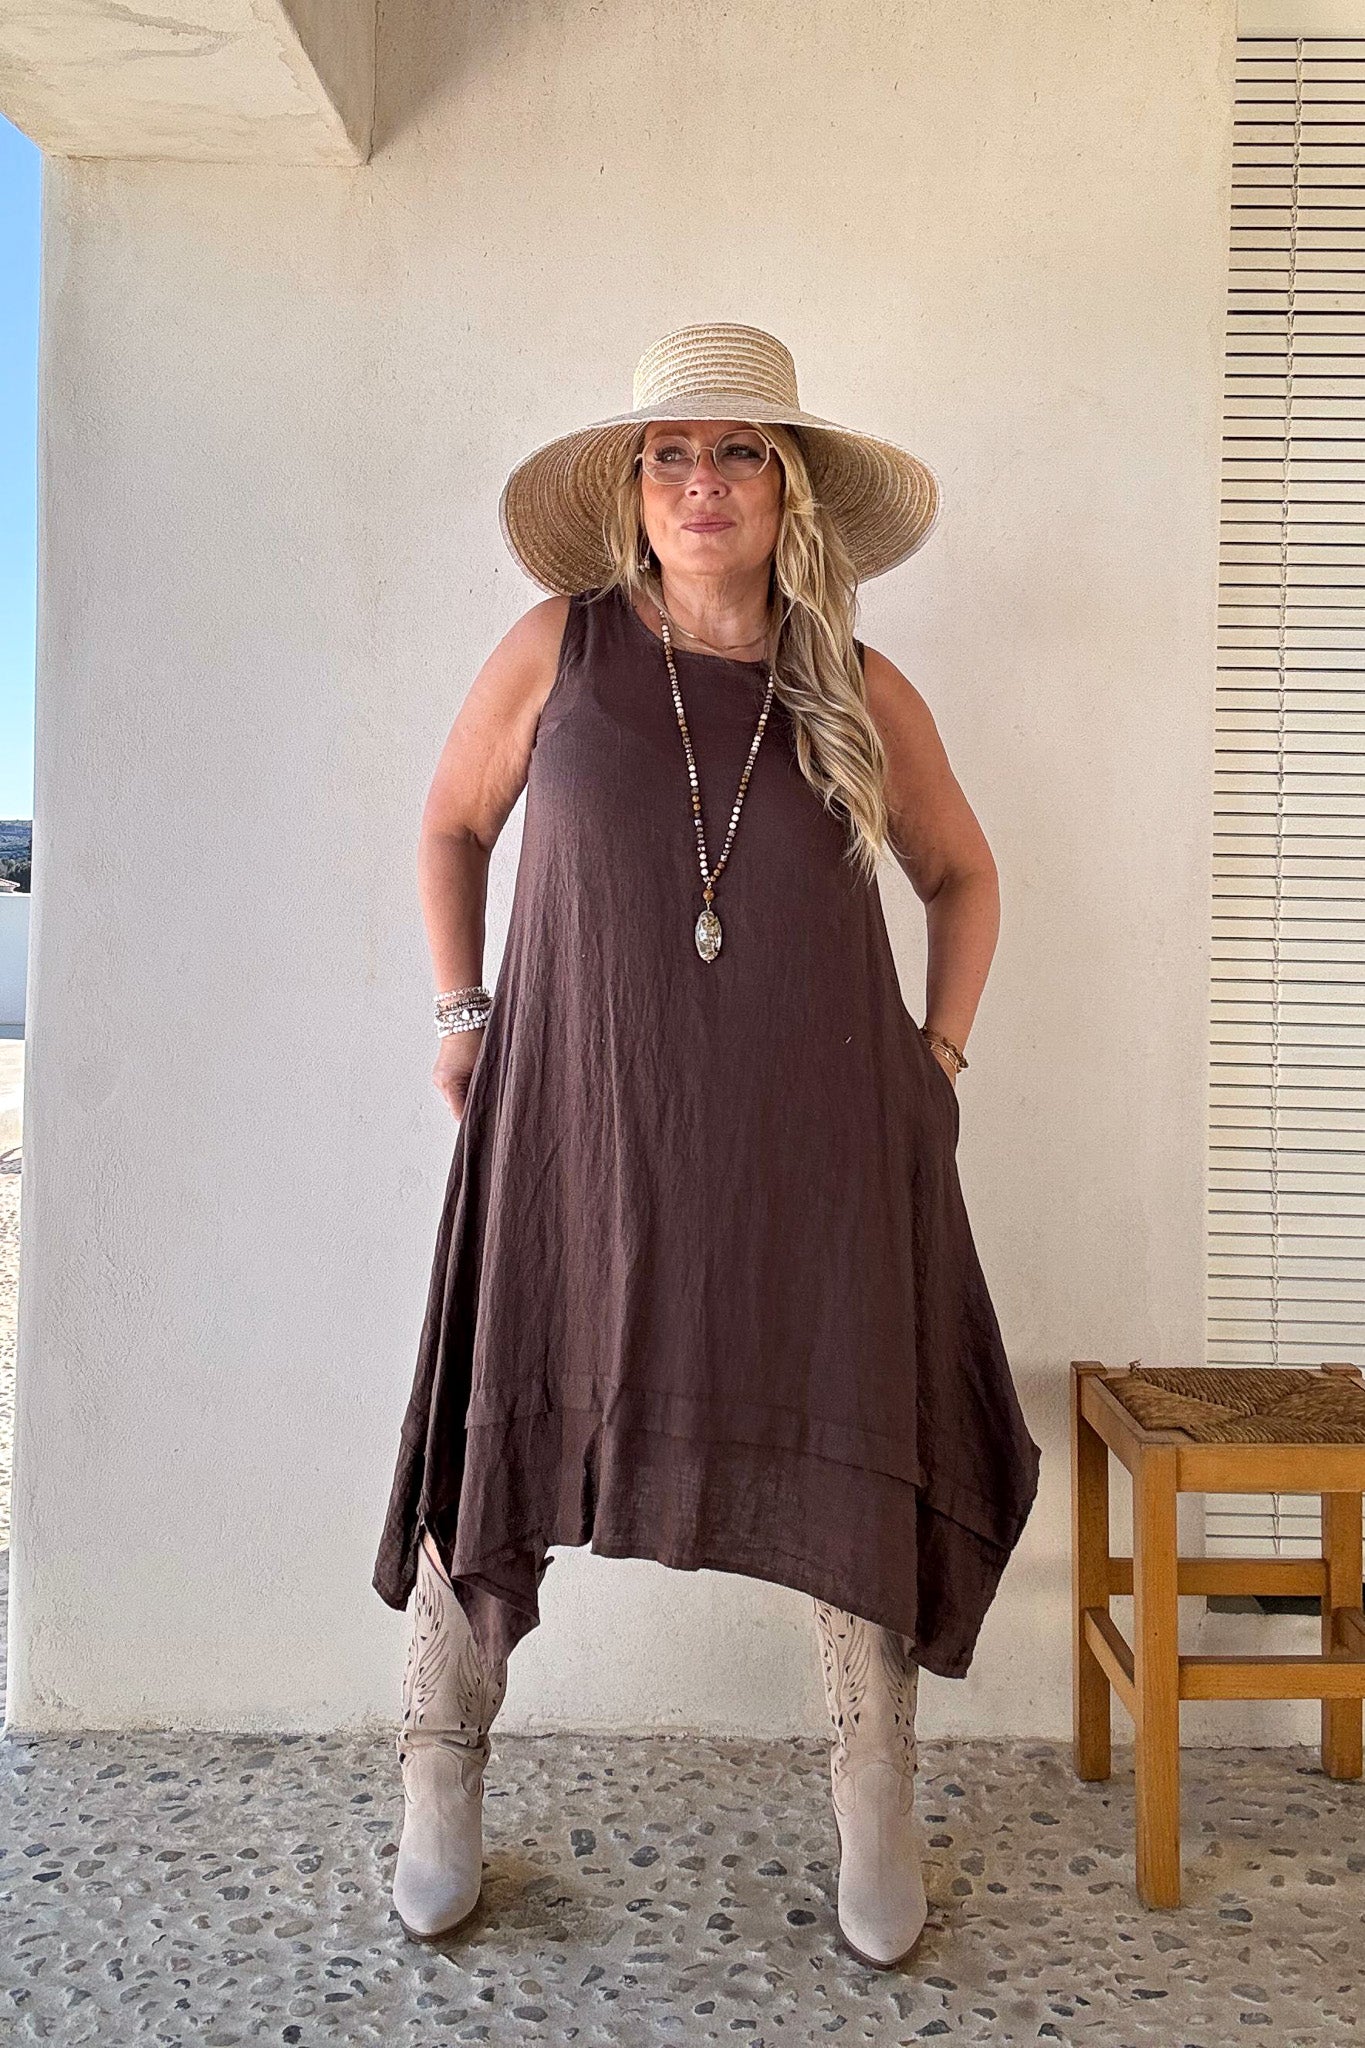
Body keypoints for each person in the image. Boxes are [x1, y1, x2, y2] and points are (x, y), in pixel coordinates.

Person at [371, 322, 1042, 1970]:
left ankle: (872, 1783)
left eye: (739, 450)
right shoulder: (561, 645)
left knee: (850, 1411)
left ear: (787, 487)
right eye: (668, 453)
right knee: (510, 1396)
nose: (701, 481)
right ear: (630, 489)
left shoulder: (855, 685)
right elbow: (451, 822)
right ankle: (438, 1765)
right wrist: (460, 1015)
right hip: (580, 1117)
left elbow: (964, 875)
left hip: (816, 1142)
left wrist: (937, 1055)